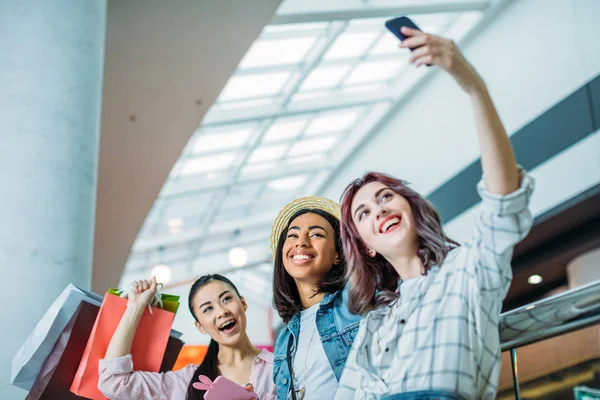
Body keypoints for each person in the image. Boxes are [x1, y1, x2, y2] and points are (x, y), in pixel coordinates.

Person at [334, 26, 534, 400]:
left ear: (411, 207)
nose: (378, 209)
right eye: (362, 213)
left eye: (385, 197)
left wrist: (474, 86)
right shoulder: (373, 325)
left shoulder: (468, 273)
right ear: (367, 247)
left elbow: (503, 202)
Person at [98, 274, 277, 399]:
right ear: (200, 326)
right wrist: (135, 307)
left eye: (226, 299)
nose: (222, 311)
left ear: (243, 303)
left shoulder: (280, 369)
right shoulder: (186, 382)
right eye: (208, 309)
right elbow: (114, 381)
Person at [271, 196, 362, 400]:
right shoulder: (285, 339)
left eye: (316, 234)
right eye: (292, 236)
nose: (301, 243)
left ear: (338, 254)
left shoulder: (357, 302)